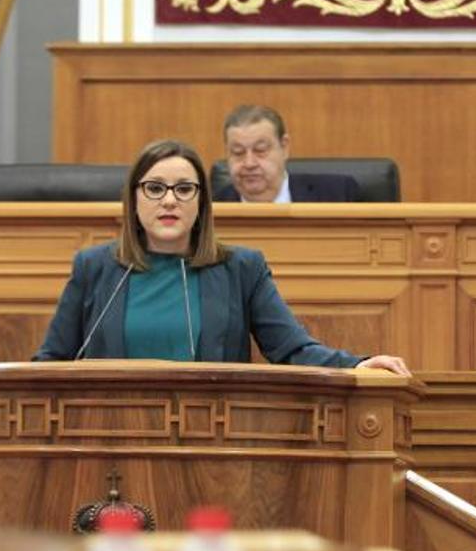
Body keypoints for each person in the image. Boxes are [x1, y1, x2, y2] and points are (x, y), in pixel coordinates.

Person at [33, 138, 408, 375]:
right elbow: (51, 361)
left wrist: (356, 364)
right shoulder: (96, 269)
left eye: (184, 189)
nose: (168, 200)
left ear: (201, 203)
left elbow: (292, 349)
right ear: (133, 199)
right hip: (110, 438)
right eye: (154, 188)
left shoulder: (240, 269)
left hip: (209, 444)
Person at [215, 105, 359, 203]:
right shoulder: (209, 210)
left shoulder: (338, 194)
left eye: (260, 150)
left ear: (284, 147)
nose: (249, 163)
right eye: (238, 153)